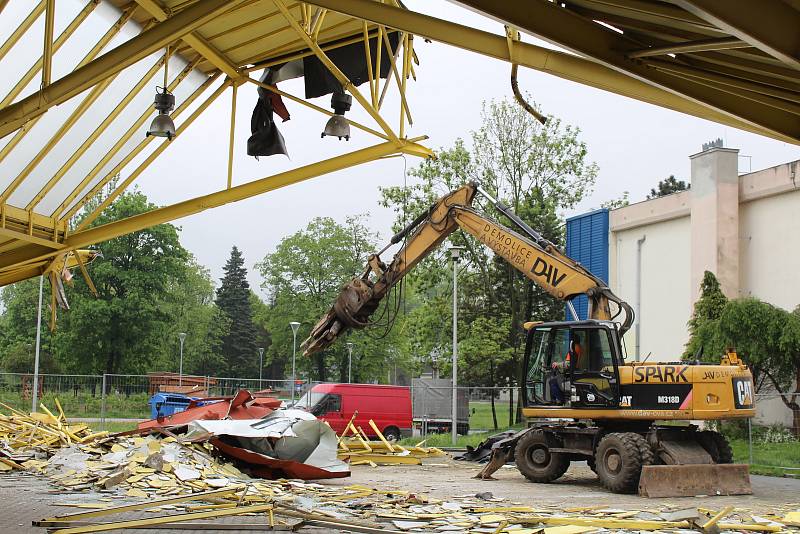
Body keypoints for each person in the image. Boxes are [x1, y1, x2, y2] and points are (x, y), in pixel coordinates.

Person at [549, 333, 583, 403]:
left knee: (552, 381)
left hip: (573, 376)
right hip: (579, 374)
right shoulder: (580, 348)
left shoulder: (573, 349)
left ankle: (562, 401)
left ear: (572, 341)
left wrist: (557, 364)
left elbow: (568, 364)